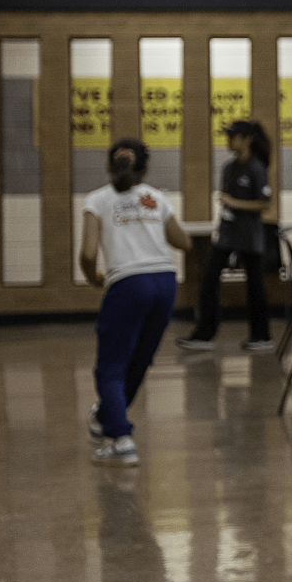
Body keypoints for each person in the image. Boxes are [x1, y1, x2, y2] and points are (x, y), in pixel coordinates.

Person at [81, 138, 192, 466]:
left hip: (128, 284)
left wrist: (94, 279)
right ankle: (107, 418)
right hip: (165, 283)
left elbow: (87, 253)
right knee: (139, 361)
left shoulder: (97, 200)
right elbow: (184, 242)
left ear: (108, 166)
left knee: (111, 366)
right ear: (145, 170)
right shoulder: (155, 197)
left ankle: (121, 439)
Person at [177, 120, 274, 353]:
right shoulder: (229, 168)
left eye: (233, 136)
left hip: (249, 237)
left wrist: (234, 203)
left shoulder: (256, 168)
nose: (228, 141)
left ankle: (261, 336)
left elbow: (264, 204)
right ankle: (204, 334)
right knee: (209, 280)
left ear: (247, 139)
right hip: (228, 235)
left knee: (255, 287)